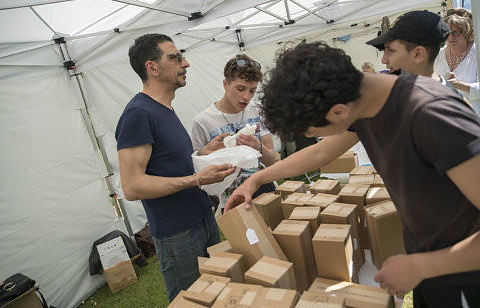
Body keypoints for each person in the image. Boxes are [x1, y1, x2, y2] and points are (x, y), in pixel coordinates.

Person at [225, 41, 480, 308]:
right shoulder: (364, 99)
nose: (314, 138)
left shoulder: (432, 116)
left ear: (338, 112)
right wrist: (256, 179)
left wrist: (421, 266)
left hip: (464, 276)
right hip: (430, 264)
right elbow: (320, 154)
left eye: (312, 132)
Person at [115, 33, 235, 302]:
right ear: (153, 67)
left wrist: (204, 153)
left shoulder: (164, 108)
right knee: (192, 301)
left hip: (202, 218)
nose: (186, 63)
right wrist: (196, 180)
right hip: (178, 234)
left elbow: (169, 164)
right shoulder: (138, 113)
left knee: (218, 293)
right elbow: (132, 186)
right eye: (176, 57)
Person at [191, 54, 277, 213]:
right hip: (230, 198)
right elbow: (197, 169)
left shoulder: (258, 110)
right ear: (225, 84)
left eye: (252, 91)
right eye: (240, 89)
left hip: (262, 187)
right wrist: (207, 153)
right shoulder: (203, 121)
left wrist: (258, 147)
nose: (246, 97)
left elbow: (272, 160)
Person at [366, 10, 459, 94]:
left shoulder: (439, 106)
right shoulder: (408, 94)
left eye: (390, 50)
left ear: (418, 54)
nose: (383, 60)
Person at [434, 8, 479, 114]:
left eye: (456, 32)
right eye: (447, 33)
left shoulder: (477, 53)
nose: (450, 37)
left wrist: (461, 86)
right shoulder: (438, 55)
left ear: (467, 31)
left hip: (474, 118)